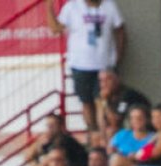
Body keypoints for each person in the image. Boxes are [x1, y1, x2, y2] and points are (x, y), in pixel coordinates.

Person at [46, 0, 126, 141]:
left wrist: (118, 55)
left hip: (104, 64)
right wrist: (49, 7)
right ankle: (92, 133)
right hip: (80, 64)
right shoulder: (72, 7)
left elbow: (120, 29)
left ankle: (104, 136)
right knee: (86, 101)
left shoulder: (109, 5)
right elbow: (56, 29)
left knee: (103, 101)